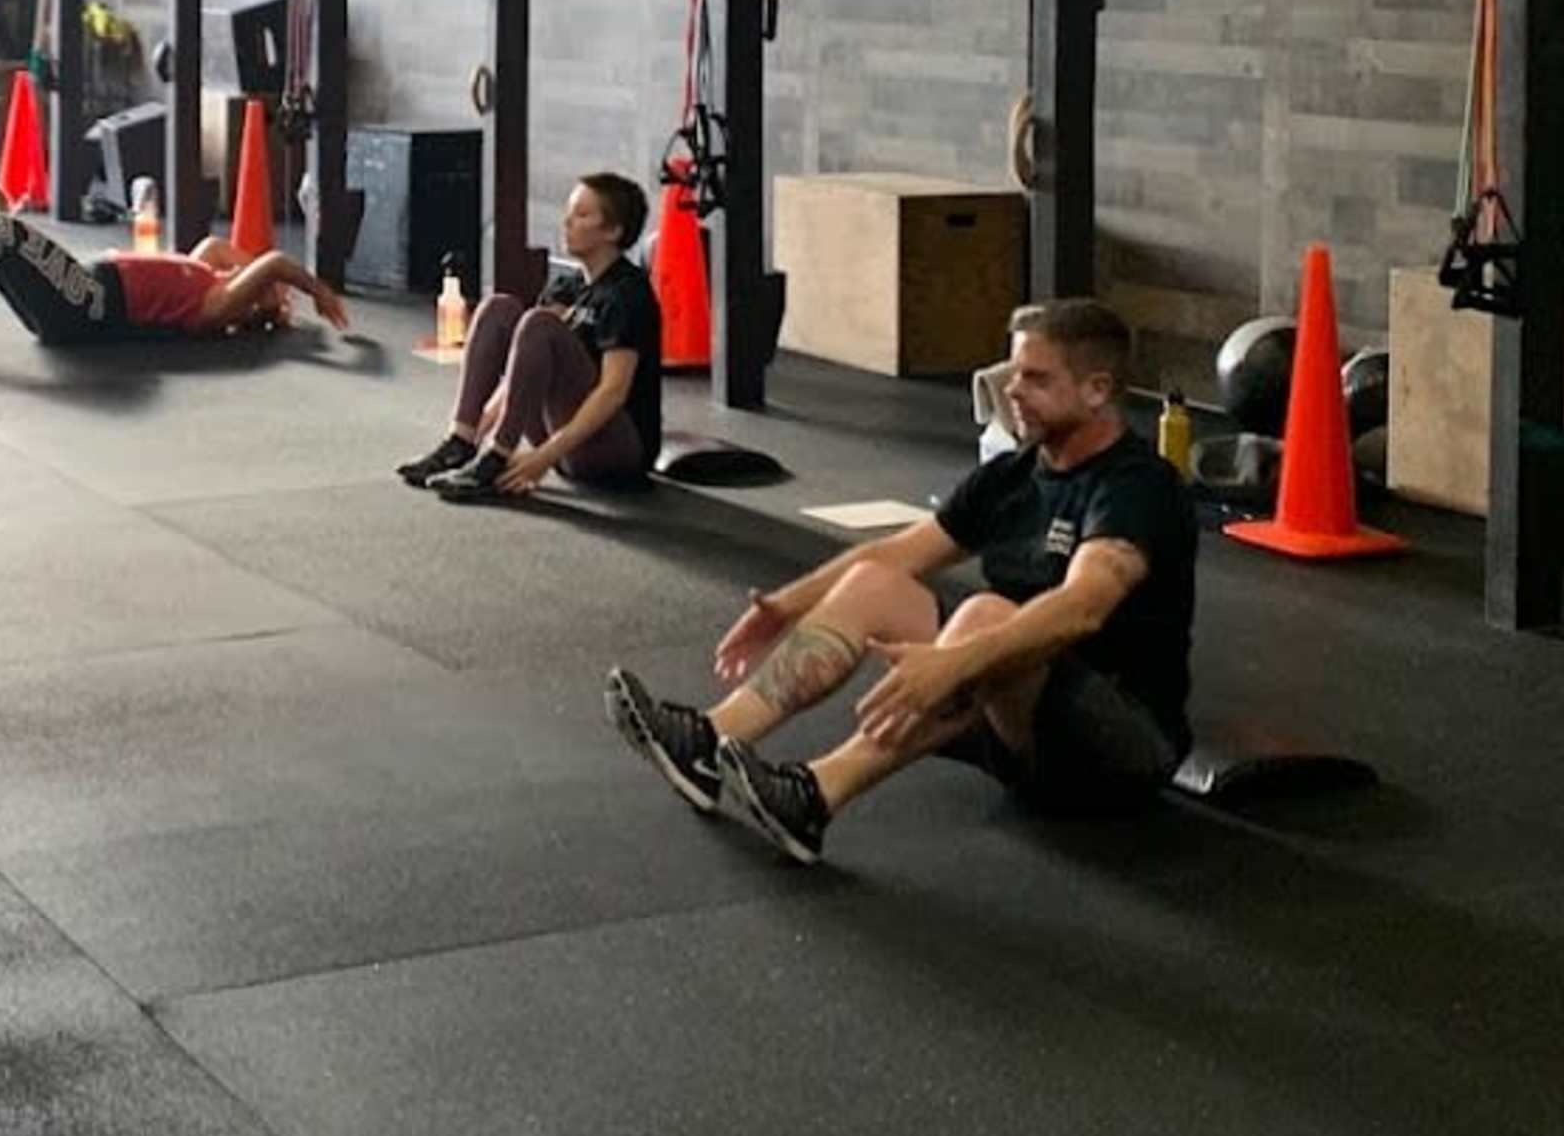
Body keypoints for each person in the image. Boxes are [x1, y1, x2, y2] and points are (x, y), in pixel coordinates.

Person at [601, 300, 1195, 867]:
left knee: (985, 615)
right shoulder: (1013, 474)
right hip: (1014, 720)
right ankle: (710, 737)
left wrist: (952, 663)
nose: (1012, 390)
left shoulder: (1136, 487)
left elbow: (1082, 608)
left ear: (1097, 390)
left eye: (1036, 379)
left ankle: (814, 797)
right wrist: (785, 607)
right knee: (874, 582)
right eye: (1014, 373)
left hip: (1119, 747)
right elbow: (896, 553)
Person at [393, 172, 663, 503]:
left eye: (581, 215)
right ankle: (460, 443)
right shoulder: (566, 286)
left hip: (615, 450)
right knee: (500, 309)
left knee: (539, 323)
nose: (567, 222)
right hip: (562, 433)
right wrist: (479, 434)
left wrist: (542, 458)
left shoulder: (627, 293)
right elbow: (521, 372)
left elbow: (613, 393)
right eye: (568, 212)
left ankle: (497, 457)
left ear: (613, 231)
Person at [0, 204, 347, 366]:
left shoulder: (216, 306)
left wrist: (310, 290)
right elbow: (223, 248)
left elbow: (276, 261)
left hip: (90, 303)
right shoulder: (210, 269)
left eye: (254, 286)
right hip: (79, 289)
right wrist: (274, 296)